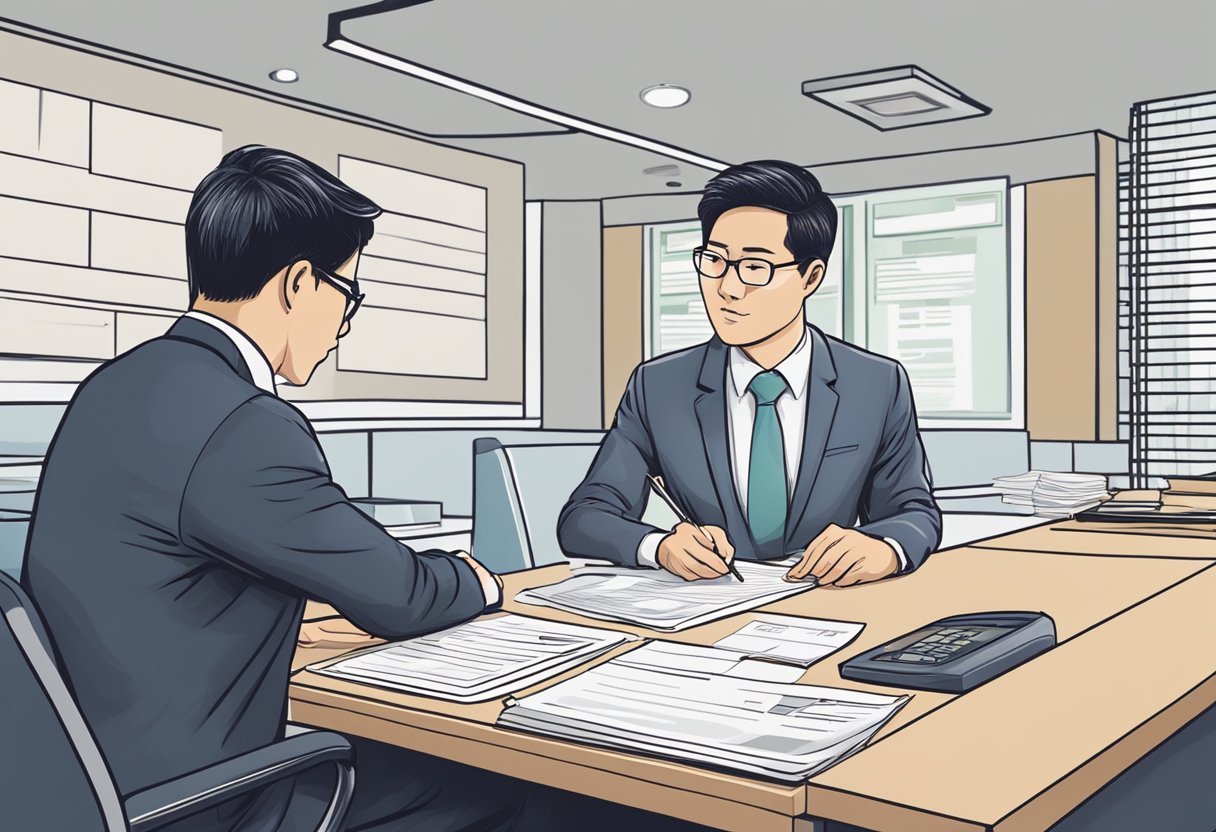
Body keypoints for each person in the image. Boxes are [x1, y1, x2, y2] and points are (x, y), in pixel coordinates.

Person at [22, 145, 524, 831]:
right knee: (501, 788)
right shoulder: (242, 423)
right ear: (298, 283)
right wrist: (478, 582)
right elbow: (401, 596)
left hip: (92, 784)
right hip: (200, 802)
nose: (343, 324)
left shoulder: (117, 385)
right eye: (347, 294)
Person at [559, 160, 941, 585]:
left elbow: (913, 510)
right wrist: (659, 546)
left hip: (830, 601)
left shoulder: (875, 383)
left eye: (755, 267)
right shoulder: (659, 386)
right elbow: (585, 516)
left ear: (810, 277)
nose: (727, 288)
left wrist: (885, 548)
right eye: (714, 260)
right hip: (707, 606)